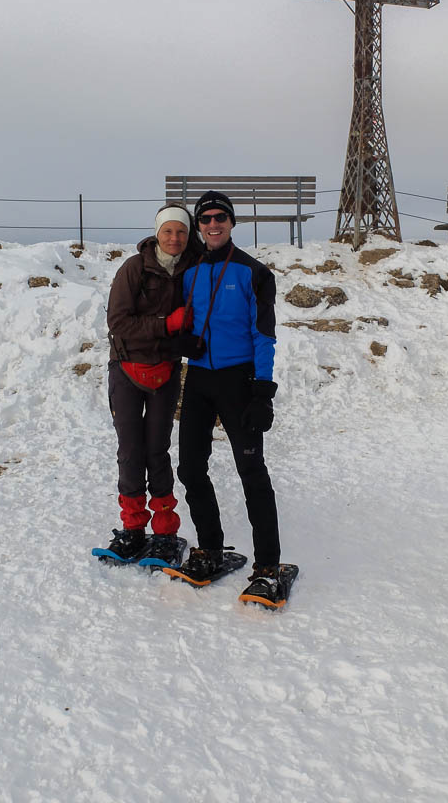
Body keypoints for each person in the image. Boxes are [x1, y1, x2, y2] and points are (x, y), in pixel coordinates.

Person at [176, 190, 282, 599]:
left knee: (251, 472)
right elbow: (185, 321)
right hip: (199, 379)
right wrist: (185, 343)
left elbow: (265, 335)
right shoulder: (189, 273)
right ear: (198, 226)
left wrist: (263, 392)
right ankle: (210, 548)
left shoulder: (253, 273)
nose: (213, 224)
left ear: (232, 222)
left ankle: (268, 566)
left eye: (221, 217)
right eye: (206, 219)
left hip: (239, 382)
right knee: (190, 467)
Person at [105, 204, 205, 562]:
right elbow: (118, 322)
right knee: (130, 451)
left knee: (157, 450)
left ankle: (165, 531)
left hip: (165, 371)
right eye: (168, 231)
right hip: (127, 370)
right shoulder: (134, 269)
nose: (174, 238)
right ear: (157, 234)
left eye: (181, 231)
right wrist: (166, 324)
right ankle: (132, 528)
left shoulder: (195, 270)